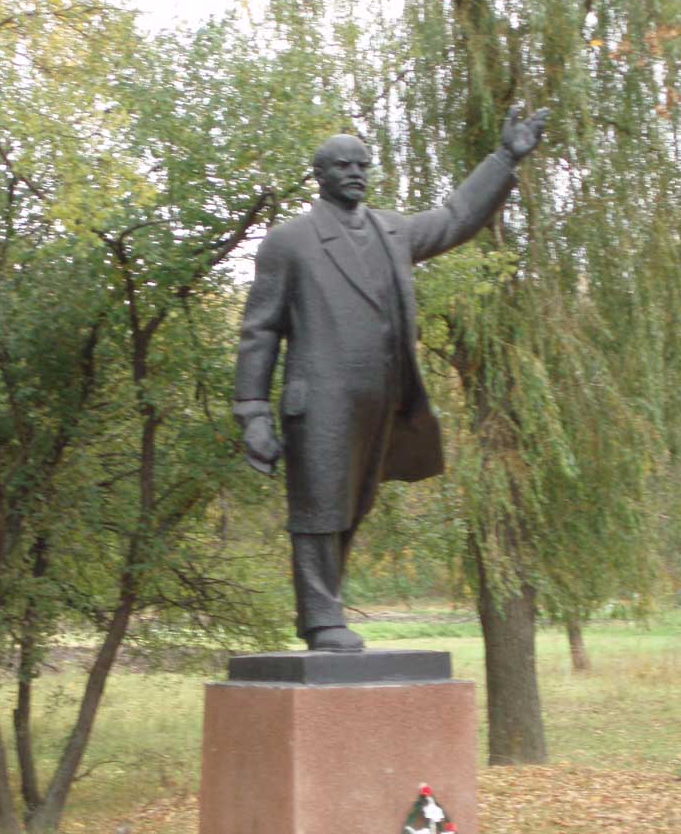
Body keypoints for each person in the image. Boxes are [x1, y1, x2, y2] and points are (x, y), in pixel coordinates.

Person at [234, 109, 547, 651]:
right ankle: (320, 619)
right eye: (343, 166)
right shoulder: (290, 242)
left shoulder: (392, 231)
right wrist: (252, 410)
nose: (356, 173)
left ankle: (323, 611)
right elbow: (259, 331)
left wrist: (504, 158)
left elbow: (455, 217)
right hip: (321, 400)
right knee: (318, 508)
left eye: (362, 165)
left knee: (352, 507)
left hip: (380, 400)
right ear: (320, 176)